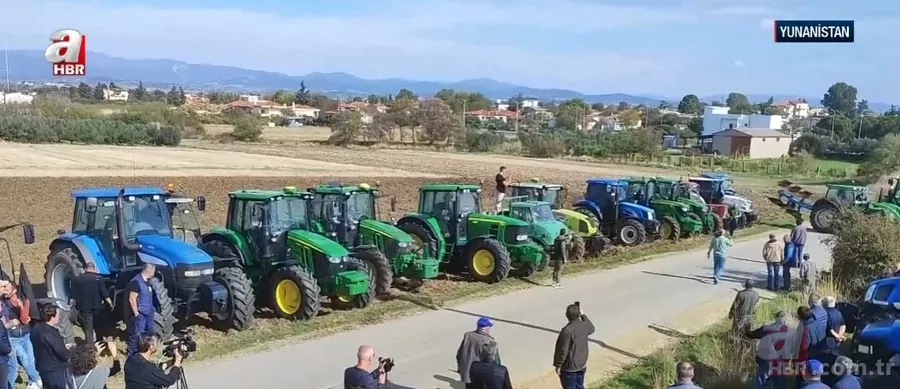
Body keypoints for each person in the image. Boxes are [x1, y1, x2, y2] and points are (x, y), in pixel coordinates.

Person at [1, 280, 41, 389]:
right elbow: (4, 323)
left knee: (31, 359)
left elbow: (24, 319)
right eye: (4, 289)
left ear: (14, 290)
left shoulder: (23, 300)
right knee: (24, 358)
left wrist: (22, 308)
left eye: (7, 289)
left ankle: (32, 383)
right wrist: (12, 322)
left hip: (25, 334)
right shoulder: (4, 303)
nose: (5, 292)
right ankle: (38, 379)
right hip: (13, 337)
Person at [553, 303, 595, 389]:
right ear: (579, 314)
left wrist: (558, 364)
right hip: (582, 363)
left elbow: (563, 350)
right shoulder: (584, 325)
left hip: (570, 367)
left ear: (567, 315)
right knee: (579, 386)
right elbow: (591, 328)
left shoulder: (567, 331)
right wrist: (583, 315)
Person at [71, 262, 112, 345]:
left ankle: (89, 346)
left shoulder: (77, 279)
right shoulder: (99, 278)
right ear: (94, 269)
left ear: (85, 269)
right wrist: (110, 303)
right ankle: (100, 343)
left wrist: (71, 305)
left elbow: (73, 294)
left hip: (84, 307)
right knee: (98, 326)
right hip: (97, 307)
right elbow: (104, 293)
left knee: (88, 328)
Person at [31, 304, 71, 389]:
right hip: (55, 370)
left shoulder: (35, 329)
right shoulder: (51, 333)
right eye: (58, 315)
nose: (59, 317)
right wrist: (70, 350)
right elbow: (63, 354)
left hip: (42, 367)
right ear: (52, 318)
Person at [747, 311, 789, 389]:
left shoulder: (765, 329)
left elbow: (750, 334)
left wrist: (747, 324)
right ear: (785, 321)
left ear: (775, 319)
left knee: (761, 383)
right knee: (780, 384)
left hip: (765, 361)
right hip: (780, 362)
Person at [457, 317, 499, 387]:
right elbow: (490, 361)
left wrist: (460, 369)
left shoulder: (468, 335)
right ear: (487, 329)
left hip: (467, 371)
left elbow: (459, 354)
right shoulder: (490, 341)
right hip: (480, 374)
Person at [126, 264, 156, 356]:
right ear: (150, 271)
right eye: (153, 271)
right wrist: (136, 313)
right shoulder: (136, 282)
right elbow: (132, 299)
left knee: (150, 332)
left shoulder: (148, 282)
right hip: (140, 313)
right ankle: (132, 353)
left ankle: (145, 350)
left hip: (149, 311)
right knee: (137, 335)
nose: (154, 274)